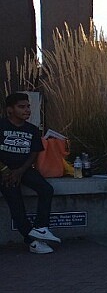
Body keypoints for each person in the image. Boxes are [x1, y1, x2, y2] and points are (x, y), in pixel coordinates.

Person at [0, 92, 61, 253]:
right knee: (16, 203)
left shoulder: (32, 129)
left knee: (46, 189)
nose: (27, 110)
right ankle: (31, 241)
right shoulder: (1, 125)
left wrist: (20, 171)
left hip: (24, 169)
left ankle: (41, 227)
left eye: (28, 106)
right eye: (21, 107)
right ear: (10, 110)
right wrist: (6, 170)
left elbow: (34, 152)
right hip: (4, 172)